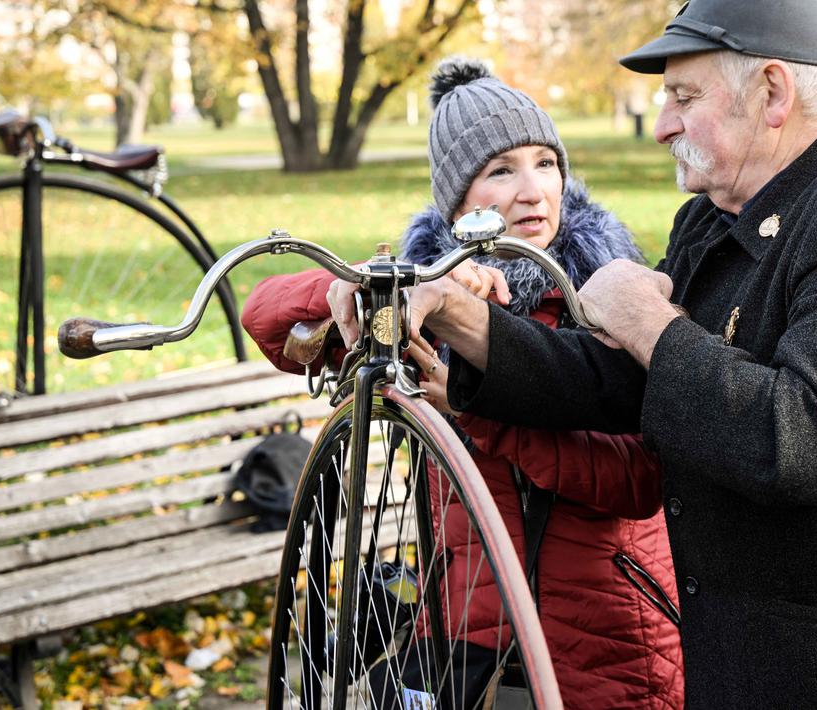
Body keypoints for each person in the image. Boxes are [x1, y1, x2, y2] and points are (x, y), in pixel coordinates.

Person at [352, 0, 817, 706]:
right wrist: (465, 320)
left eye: (683, 97)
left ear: (772, 93)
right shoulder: (713, 224)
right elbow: (614, 383)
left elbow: (797, 439)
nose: (661, 127)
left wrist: (652, 324)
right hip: (727, 663)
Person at [241, 58, 684, 709]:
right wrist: (385, 282)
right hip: (466, 641)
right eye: (500, 171)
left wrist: (485, 410)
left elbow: (638, 480)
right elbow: (267, 319)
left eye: (544, 163)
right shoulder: (423, 305)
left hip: (605, 640)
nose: (532, 191)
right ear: (456, 202)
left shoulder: (603, 293)